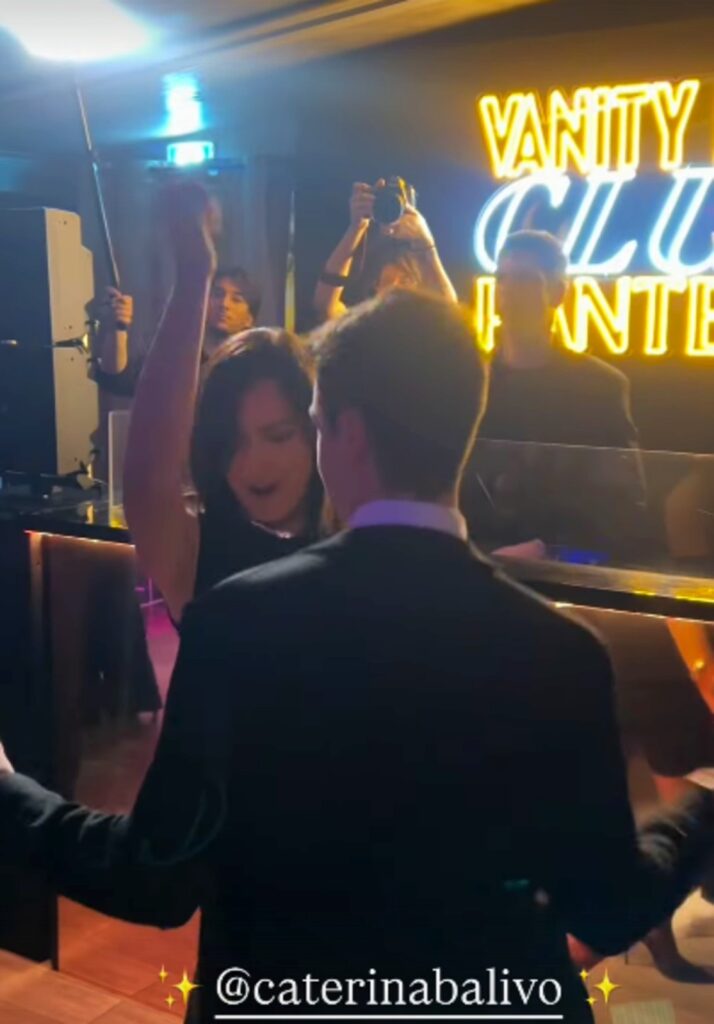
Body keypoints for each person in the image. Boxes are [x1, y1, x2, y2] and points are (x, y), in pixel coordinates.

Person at [1, 289, 714, 1022]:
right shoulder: (563, 653)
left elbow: (154, 876)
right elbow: (606, 908)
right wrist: (700, 813)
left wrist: (8, 791)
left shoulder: (237, 624)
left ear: (344, 432)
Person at [123, 184, 323, 623]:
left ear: (316, 434)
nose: (253, 463)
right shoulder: (202, 554)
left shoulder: (355, 547)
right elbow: (148, 483)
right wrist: (193, 275)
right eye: (232, 442)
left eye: (278, 436)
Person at [478, 229, 637, 449]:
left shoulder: (600, 387)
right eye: (501, 279)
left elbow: (621, 470)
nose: (508, 289)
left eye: (525, 279)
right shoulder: (473, 383)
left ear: (558, 293)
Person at [93, 265, 261, 398]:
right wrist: (118, 328)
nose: (224, 304)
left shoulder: (254, 369)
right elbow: (117, 380)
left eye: (236, 299)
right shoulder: (174, 356)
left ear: (249, 319)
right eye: (217, 294)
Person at [313, 178, 457, 321]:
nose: (403, 288)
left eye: (406, 280)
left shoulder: (421, 325)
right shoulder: (366, 323)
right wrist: (357, 227)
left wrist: (426, 244)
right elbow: (325, 307)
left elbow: (451, 316)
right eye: (399, 283)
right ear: (376, 286)